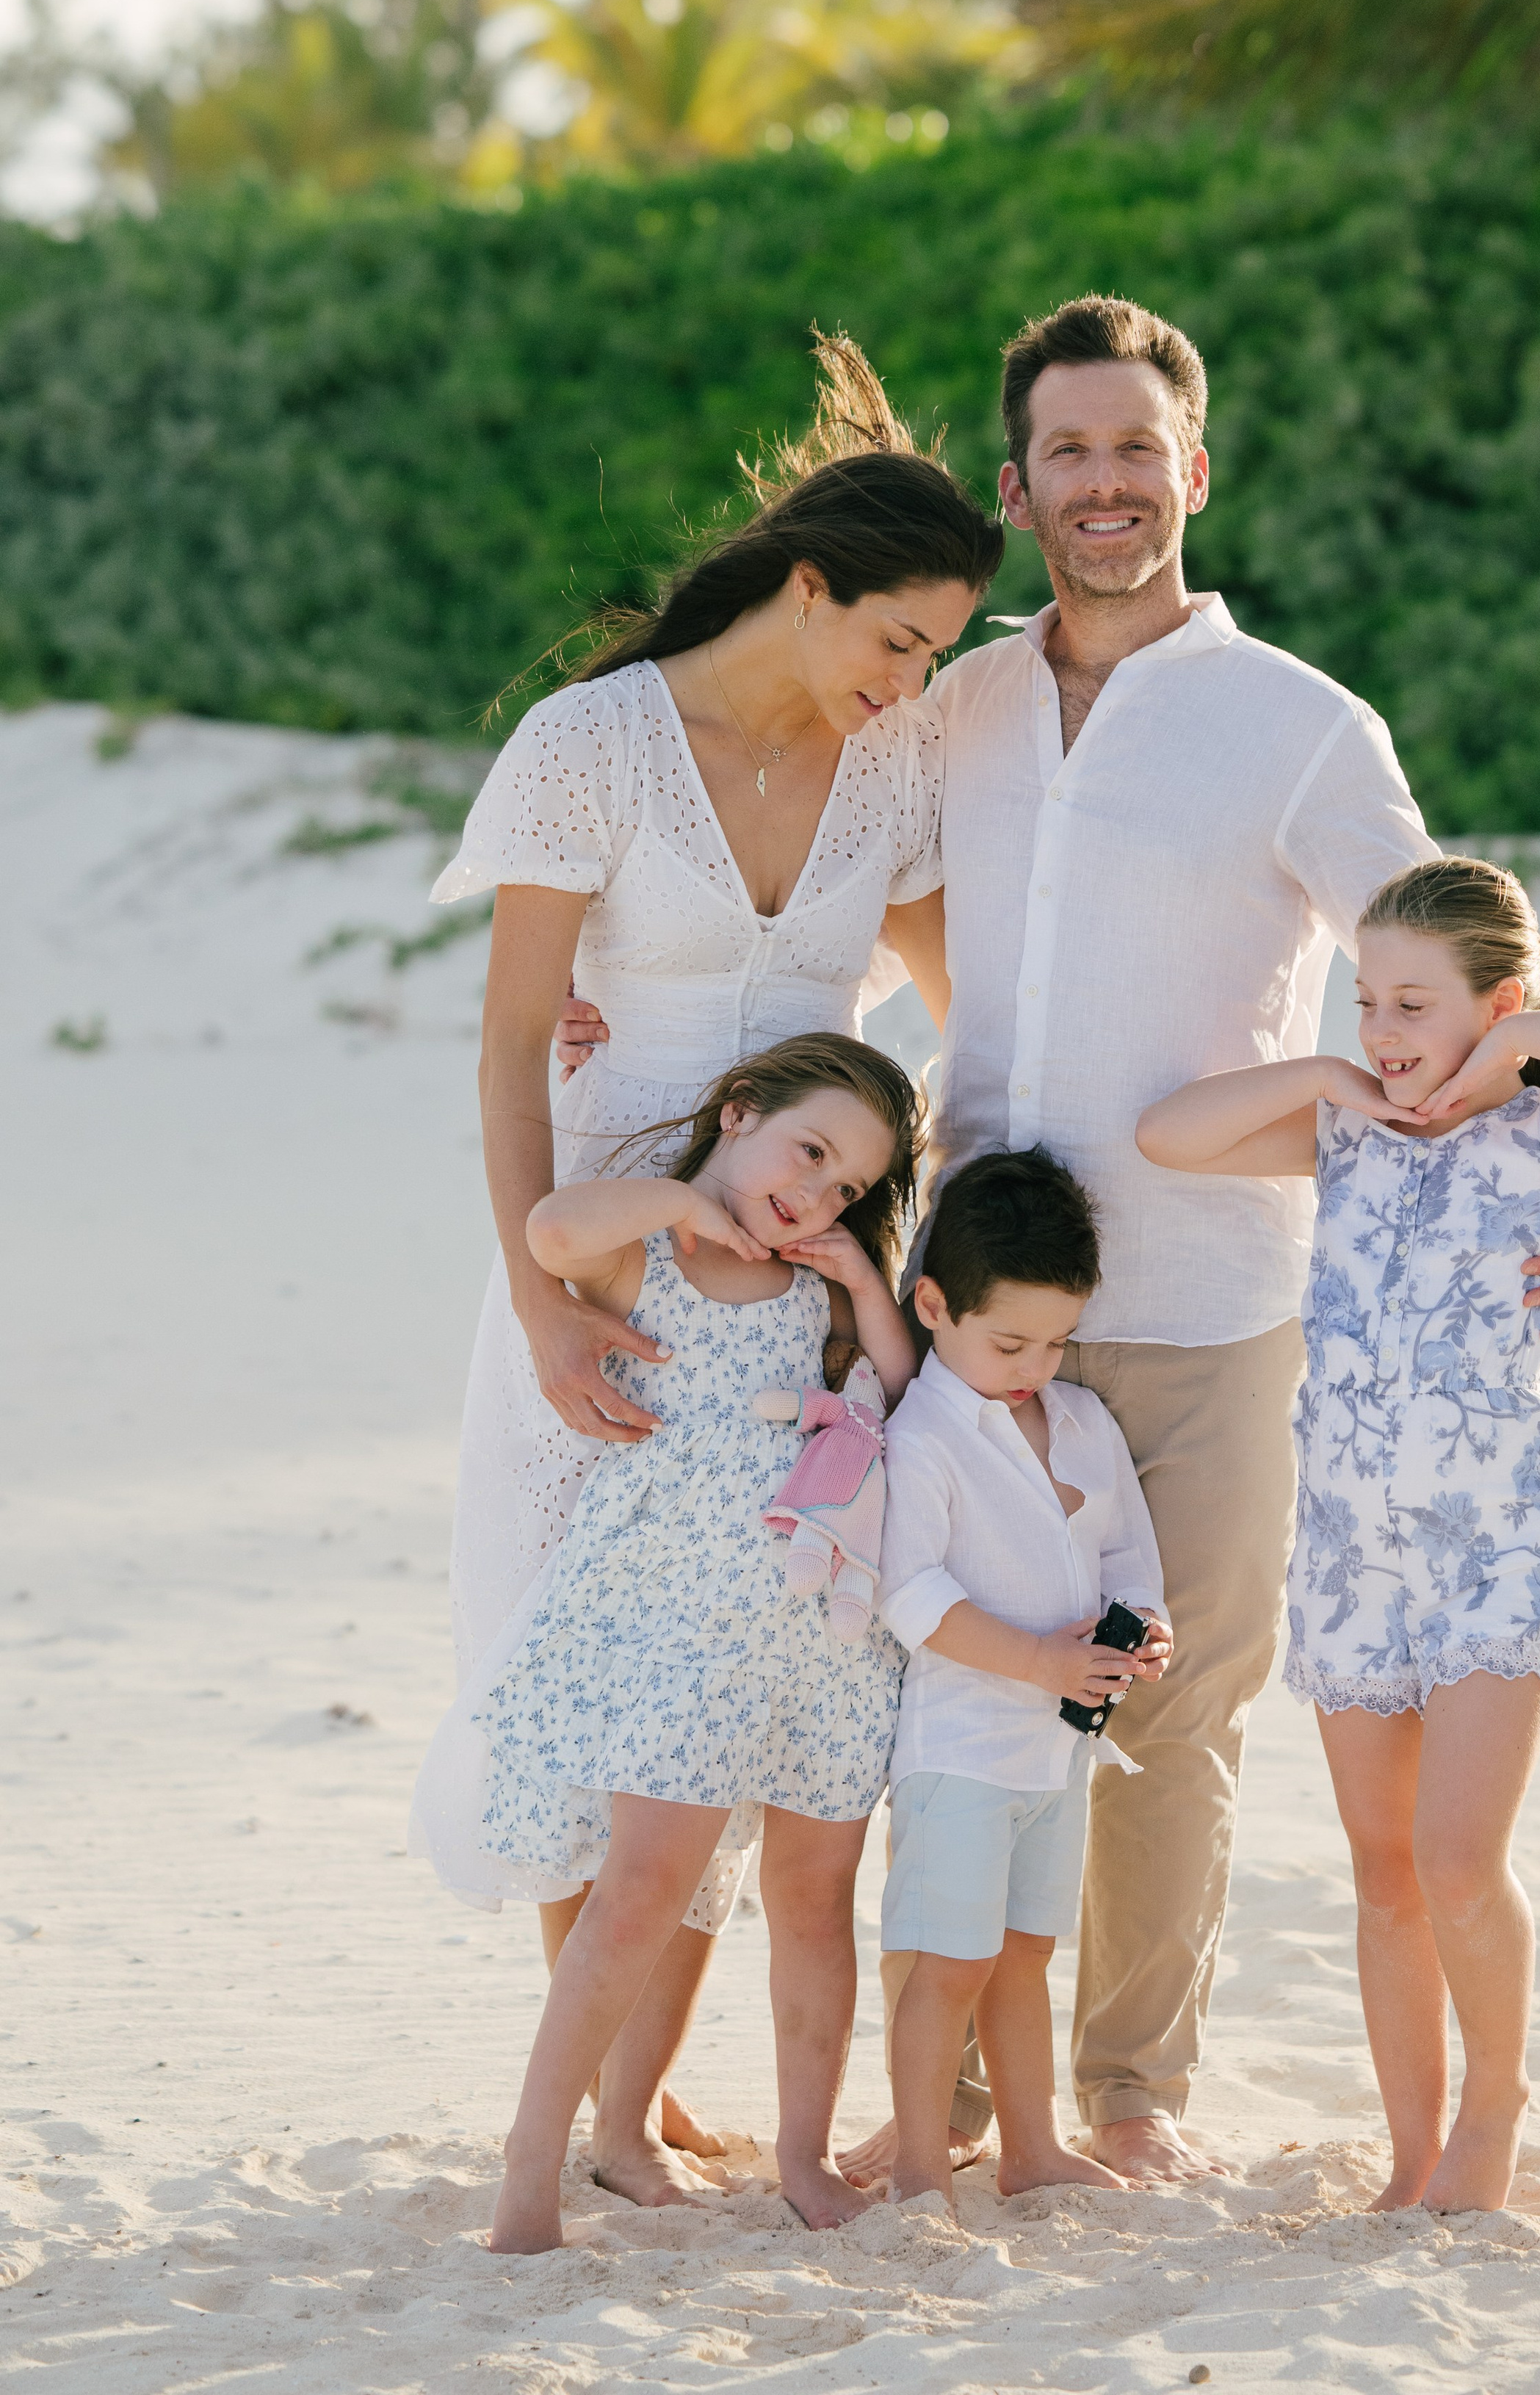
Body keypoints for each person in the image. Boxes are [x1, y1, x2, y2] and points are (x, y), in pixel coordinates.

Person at [562, 294, 1540, 2188]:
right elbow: (816, 897)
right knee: (959, 1687)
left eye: (1136, 447)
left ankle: (1131, 2091)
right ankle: (965, 2095)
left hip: (1216, 1294)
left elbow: (1475, 963)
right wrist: (628, 1006)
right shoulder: (952, 702)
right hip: (972, 1291)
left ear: (1192, 468)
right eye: (1066, 451)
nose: (1103, 482)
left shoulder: (1299, 725)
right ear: (1015, 487)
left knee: (1176, 1692)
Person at [431, 334, 999, 2205]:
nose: (905, 684)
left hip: (802, 1292)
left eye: (933, 658)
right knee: (585, 1650)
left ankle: (641, 2091)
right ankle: (613, 2084)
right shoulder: (590, 745)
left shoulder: (888, 768)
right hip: (606, 1256)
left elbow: (955, 1006)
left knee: (743, 1651)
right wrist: (542, 1304)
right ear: (809, 584)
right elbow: (510, 1040)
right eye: (895, 640)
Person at [1138, 858, 1540, 2211]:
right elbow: (1169, 1136)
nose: (1382, 1031)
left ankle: (1494, 2111)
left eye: (1411, 1004)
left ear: (1500, 1003)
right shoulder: (1349, 1130)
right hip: (1351, 1546)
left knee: (1455, 1855)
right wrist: (1329, 1074)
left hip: (1501, 1531)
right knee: (1384, 1871)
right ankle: (1410, 2152)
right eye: (1365, 999)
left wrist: (1514, 1048)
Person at [412, 1033, 924, 2253]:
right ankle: (534, 2161)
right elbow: (548, 1231)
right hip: (677, 1629)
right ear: (737, 1111)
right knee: (642, 1887)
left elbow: (903, 1388)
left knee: (813, 1899)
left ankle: (797, 2155)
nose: (817, 1192)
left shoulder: (821, 1290)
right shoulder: (650, 1252)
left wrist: (863, 1277)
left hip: (817, 1636)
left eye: (849, 1184)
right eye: (809, 1151)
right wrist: (688, 1202)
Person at [875, 1149, 1170, 2207]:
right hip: (960, 1750)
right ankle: (919, 2167)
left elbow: (1129, 1555)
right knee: (948, 1961)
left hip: (1059, 1749)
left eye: (1056, 1341)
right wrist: (1041, 1659)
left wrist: (1148, 1631)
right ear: (934, 1306)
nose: (1035, 1365)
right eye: (1009, 1342)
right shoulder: (924, 1437)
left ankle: (1032, 2147)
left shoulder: (1083, 1419)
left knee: (1025, 1954)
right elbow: (912, 1594)